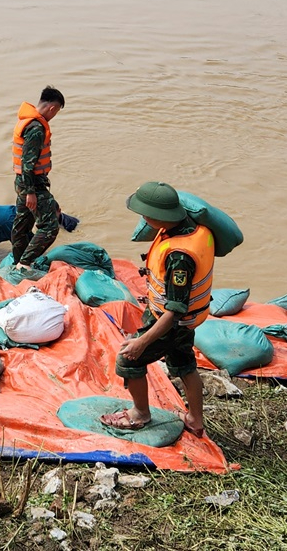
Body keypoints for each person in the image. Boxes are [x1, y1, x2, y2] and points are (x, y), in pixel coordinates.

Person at [100, 181, 214, 438]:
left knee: (128, 360)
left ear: (160, 216)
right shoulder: (190, 228)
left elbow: (174, 310)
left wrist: (142, 342)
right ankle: (195, 420)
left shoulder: (179, 258)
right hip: (189, 321)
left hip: (171, 322)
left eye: (145, 213)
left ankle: (140, 414)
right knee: (184, 364)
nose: (142, 217)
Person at [10, 85, 65, 269]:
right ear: (52, 108)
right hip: (32, 184)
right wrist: (31, 192)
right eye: (56, 111)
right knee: (50, 227)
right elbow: (28, 163)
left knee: (22, 227)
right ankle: (23, 265)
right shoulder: (36, 129)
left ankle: (17, 261)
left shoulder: (27, 120)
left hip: (22, 183)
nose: (54, 115)